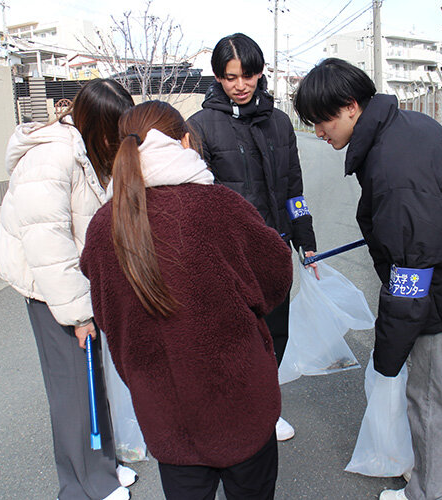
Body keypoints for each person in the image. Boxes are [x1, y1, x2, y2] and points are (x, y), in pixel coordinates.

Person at [293, 58, 442, 500]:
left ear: (352, 106)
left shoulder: (394, 168)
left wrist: (387, 355)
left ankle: (431, 492)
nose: (319, 131)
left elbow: (410, 274)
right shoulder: (408, 125)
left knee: (429, 402)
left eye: (323, 120)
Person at [80, 100, 292, 500]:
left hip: (165, 414)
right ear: (186, 141)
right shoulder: (220, 207)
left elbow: (107, 315)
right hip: (240, 403)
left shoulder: (103, 226)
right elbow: (276, 277)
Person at [0, 79, 136, 500]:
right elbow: (48, 246)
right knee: (72, 385)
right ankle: (82, 485)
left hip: (73, 281)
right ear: (97, 125)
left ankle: (104, 466)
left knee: (92, 375)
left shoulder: (84, 151)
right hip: (48, 286)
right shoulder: (53, 157)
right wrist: (78, 314)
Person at [187, 33, 317, 441]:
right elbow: (194, 196)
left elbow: (293, 186)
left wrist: (304, 235)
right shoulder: (200, 126)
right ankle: (232, 411)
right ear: (218, 77)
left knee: (275, 333)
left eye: (248, 75)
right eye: (230, 77)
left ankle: (264, 408)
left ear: (260, 74)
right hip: (227, 257)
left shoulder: (279, 122)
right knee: (232, 337)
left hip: (273, 249)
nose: (240, 85)